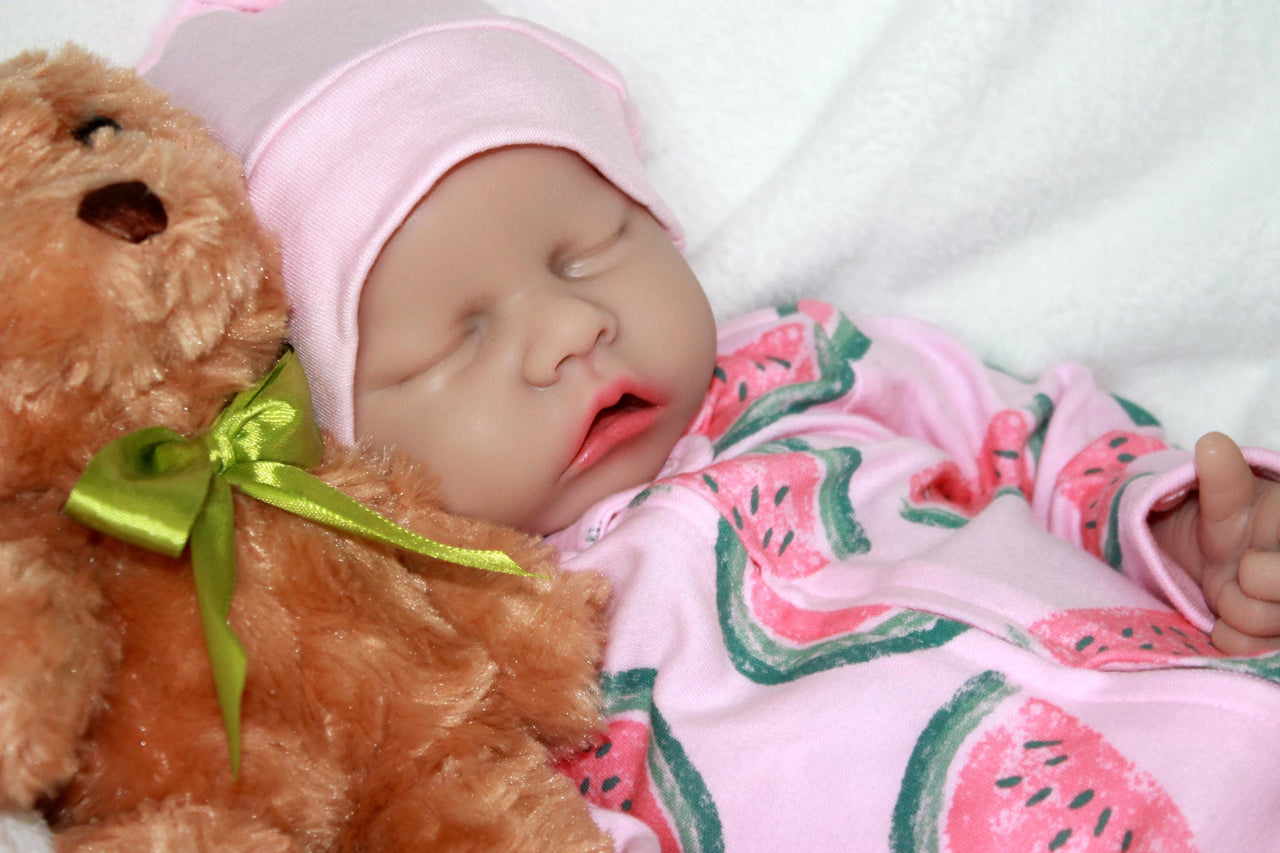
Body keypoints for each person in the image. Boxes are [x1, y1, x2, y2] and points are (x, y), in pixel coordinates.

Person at [147, 1, 1280, 848]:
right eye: (460, 336)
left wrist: (1177, 533)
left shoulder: (803, 363)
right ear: (330, 443)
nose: (567, 328)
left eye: (586, 247)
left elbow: (1034, 436)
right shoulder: (461, 634)